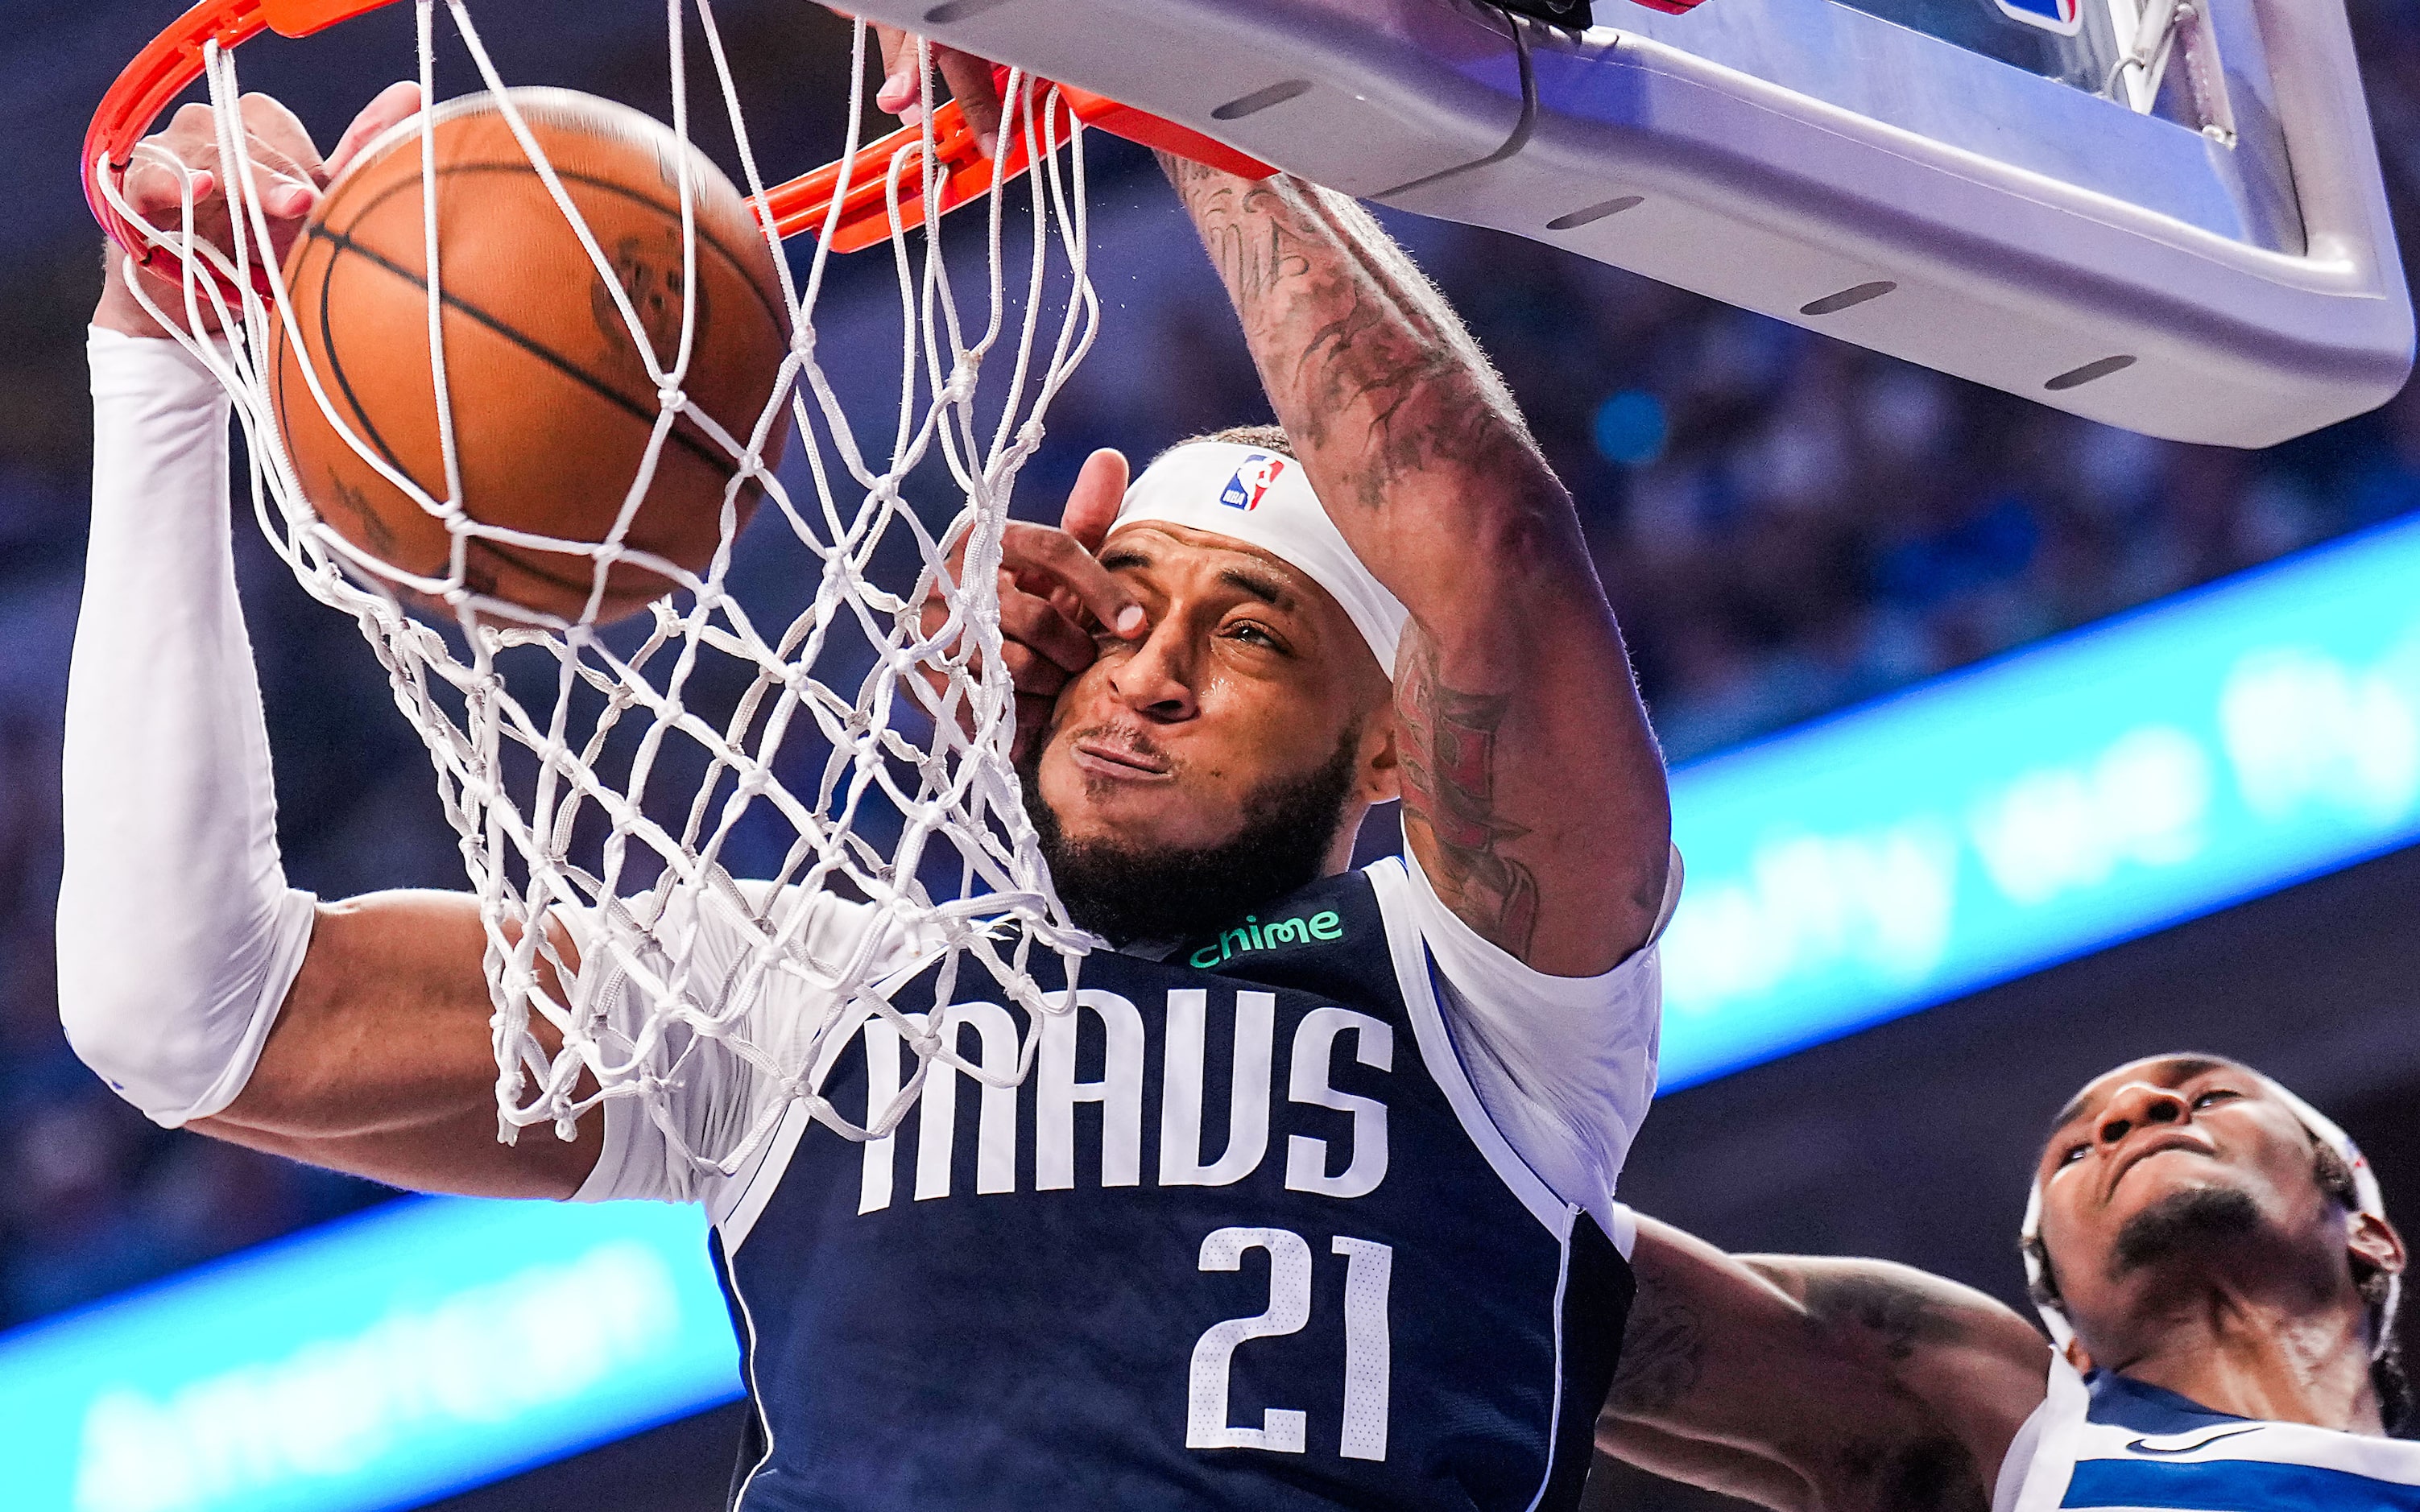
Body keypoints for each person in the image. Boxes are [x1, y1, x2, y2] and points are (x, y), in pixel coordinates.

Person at [56, 34, 1677, 1512]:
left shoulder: (1494, 1002)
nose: (1148, 669)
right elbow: (186, 1016)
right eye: (1122, 609)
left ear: (1397, 739)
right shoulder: (792, 1003)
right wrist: (159, 375)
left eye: (1247, 635)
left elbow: (1481, 539)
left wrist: (1152, 51)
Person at [1597, 1052, 2417, 1510]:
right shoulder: (2003, 1424)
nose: (2130, 1109)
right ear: (2069, 1338)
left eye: (2205, 1095)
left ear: (2370, 1237)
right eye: (2072, 1153)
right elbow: (1547, 1280)